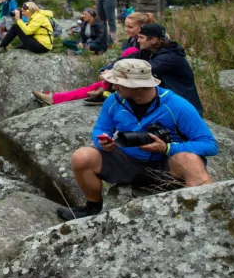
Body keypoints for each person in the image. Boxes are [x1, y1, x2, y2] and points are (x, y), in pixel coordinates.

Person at [55, 59, 217, 221]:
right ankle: (92, 209)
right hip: (128, 163)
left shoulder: (176, 105)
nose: (114, 87)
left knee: (191, 160)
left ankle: (207, 217)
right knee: (82, 157)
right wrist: (103, 143)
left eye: (118, 83)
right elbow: (100, 129)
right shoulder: (114, 101)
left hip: (166, 165)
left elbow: (209, 144)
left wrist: (167, 148)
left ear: (137, 86)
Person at [33, 47, 140, 106]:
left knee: (93, 88)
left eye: (130, 27)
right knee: (93, 87)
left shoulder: (137, 50)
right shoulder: (134, 44)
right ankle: (56, 97)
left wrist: (110, 75)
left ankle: (54, 98)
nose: (127, 29)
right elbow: (119, 61)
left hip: (124, 83)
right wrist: (105, 71)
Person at [137, 23, 204, 114]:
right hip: (173, 104)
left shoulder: (169, 57)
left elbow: (142, 70)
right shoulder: (152, 51)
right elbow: (130, 58)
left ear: (153, 40)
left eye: (141, 37)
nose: (138, 40)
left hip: (184, 109)